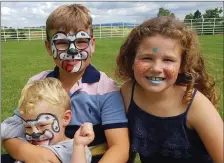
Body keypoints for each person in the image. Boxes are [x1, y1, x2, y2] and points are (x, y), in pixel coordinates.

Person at [2, 4, 129, 163]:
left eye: (81, 41)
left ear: (93, 44)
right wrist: (31, 153)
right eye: (61, 42)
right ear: (49, 47)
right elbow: (10, 132)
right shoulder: (37, 83)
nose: (72, 50)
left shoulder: (106, 89)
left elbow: (120, 147)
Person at [115, 16, 223, 163]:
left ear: (182, 66)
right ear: (132, 61)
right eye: (147, 58)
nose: (156, 68)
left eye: (168, 60)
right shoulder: (128, 93)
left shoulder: (195, 105)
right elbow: (125, 149)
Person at [1, 78, 94, 163]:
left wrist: (79, 146)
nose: (34, 133)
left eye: (42, 125)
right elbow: (5, 130)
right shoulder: (25, 136)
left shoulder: (74, 149)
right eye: (28, 126)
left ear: (65, 118)